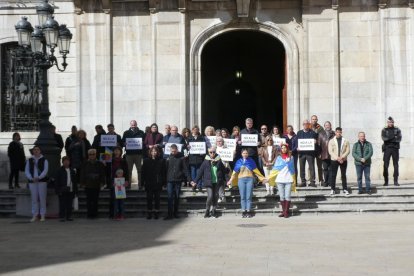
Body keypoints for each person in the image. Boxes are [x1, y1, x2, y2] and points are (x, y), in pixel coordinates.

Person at [227, 148, 266, 218]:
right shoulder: (239, 161)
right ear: (241, 154)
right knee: (243, 197)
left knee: (248, 196)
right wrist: (230, 180)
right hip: (241, 180)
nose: (245, 154)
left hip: (249, 179)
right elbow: (234, 173)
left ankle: (248, 211)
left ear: (248, 154)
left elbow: (256, 171)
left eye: (246, 153)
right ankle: (243, 211)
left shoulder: (251, 161)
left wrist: (262, 179)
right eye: (244, 153)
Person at [192, 146, 227, 218]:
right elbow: (200, 171)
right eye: (211, 152)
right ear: (208, 153)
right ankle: (207, 210)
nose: (212, 153)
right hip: (208, 182)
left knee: (215, 196)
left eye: (214, 152)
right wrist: (195, 181)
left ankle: (214, 210)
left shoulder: (219, 160)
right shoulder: (205, 161)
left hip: (217, 181)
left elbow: (224, 171)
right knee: (210, 196)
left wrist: (228, 178)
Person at [268, 144, 296, 218]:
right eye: (282, 148)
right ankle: (283, 211)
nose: (283, 149)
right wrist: (268, 178)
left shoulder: (291, 157)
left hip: (288, 179)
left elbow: (293, 169)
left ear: (287, 149)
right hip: (280, 180)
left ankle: (286, 212)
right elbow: (275, 169)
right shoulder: (279, 158)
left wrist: (294, 178)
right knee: (282, 196)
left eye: (285, 148)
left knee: (287, 196)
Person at [164, 144, 191, 220]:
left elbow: (185, 169)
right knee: (169, 197)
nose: (173, 152)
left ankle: (175, 213)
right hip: (169, 180)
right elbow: (165, 170)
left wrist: (189, 180)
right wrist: (164, 181)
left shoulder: (181, 158)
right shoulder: (168, 158)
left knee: (176, 197)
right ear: (170, 150)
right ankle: (169, 214)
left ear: (177, 150)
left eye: (174, 151)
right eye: (172, 151)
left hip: (178, 180)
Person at [25, 146, 49, 222]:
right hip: (32, 182)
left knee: (42, 198)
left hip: (42, 181)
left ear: (40, 151)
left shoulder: (44, 160)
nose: (36, 151)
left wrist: (39, 177)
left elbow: (45, 171)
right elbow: (27, 170)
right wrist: (31, 178)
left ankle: (42, 215)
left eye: (37, 149)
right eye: (34, 150)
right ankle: (35, 215)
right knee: (34, 199)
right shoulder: (29, 160)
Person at [80, 149, 106, 219]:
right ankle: (89, 214)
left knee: (95, 200)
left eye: (93, 154)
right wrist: (82, 183)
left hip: (96, 184)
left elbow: (102, 174)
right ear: (88, 155)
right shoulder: (85, 163)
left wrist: (102, 182)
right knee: (89, 200)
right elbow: (82, 173)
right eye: (90, 154)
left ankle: (95, 214)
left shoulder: (100, 163)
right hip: (88, 184)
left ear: (95, 154)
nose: (92, 155)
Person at [142, 147, 166, 220]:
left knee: (157, 199)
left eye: (155, 151)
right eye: (152, 151)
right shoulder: (146, 161)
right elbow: (143, 173)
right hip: (149, 182)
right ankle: (149, 213)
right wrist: (142, 183)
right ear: (150, 152)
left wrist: (163, 183)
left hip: (157, 183)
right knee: (149, 198)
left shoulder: (161, 161)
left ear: (157, 152)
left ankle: (156, 213)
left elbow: (163, 173)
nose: (154, 152)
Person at [122, 120, 145, 189]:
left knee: (140, 170)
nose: (133, 126)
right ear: (130, 125)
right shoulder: (126, 132)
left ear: (136, 124)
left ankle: (140, 185)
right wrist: (124, 144)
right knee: (129, 170)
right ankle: (128, 185)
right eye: (132, 125)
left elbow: (144, 142)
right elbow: (123, 142)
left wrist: (142, 143)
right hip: (129, 154)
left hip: (138, 154)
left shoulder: (141, 132)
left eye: (134, 124)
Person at [328, 127, 350, 195]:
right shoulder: (331, 141)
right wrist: (337, 158)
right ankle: (332, 189)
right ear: (335, 132)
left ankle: (345, 189)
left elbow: (348, 150)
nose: (338, 133)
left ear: (341, 132)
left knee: (343, 175)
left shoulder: (346, 140)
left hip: (343, 160)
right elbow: (330, 151)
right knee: (333, 175)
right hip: (334, 160)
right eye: (337, 132)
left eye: (340, 132)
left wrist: (342, 157)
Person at [54, 156, 77, 222]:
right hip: (62, 189)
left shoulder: (72, 170)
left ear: (69, 162)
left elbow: (74, 181)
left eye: (67, 161)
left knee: (69, 204)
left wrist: (75, 191)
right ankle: (62, 216)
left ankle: (69, 216)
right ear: (62, 162)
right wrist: (58, 190)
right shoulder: (59, 170)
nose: (66, 162)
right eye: (65, 161)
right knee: (62, 204)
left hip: (71, 189)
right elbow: (57, 181)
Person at [381, 116, 402, 186]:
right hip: (387, 149)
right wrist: (393, 137)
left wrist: (390, 138)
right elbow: (384, 138)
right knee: (385, 165)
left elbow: (399, 139)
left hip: (395, 148)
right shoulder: (384, 129)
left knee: (396, 165)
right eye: (389, 122)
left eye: (392, 122)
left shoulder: (397, 129)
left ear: (393, 122)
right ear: (387, 122)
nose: (391, 123)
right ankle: (386, 181)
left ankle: (395, 181)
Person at [109, 147, 129, 219]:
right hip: (113, 182)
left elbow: (126, 172)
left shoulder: (123, 161)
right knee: (114, 199)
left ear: (120, 152)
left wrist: (126, 181)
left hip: (121, 182)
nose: (117, 152)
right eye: (115, 151)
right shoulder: (110, 161)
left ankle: (122, 214)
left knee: (121, 200)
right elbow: (108, 172)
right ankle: (114, 214)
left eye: (118, 151)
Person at [296, 120, 318, 187]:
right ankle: (303, 181)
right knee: (302, 167)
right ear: (303, 125)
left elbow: (317, 140)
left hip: (310, 153)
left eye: (307, 124)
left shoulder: (312, 132)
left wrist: (315, 141)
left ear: (309, 125)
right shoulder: (299, 132)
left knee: (311, 167)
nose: (306, 125)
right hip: (301, 153)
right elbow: (297, 141)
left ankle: (312, 181)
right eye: (304, 124)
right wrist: (297, 147)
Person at [188, 126, 206, 193]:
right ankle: (193, 186)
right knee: (193, 173)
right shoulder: (189, 138)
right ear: (192, 130)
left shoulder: (202, 138)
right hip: (192, 158)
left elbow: (204, 147)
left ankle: (199, 186)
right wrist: (188, 147)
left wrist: (203, 153)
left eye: (197, 130)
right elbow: (185, 148)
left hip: (199, 158)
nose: (195, 131)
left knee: (199, 172)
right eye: (194, 130)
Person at [318, 121, 335, 187]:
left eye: (328, 125)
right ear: (324, 126)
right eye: (326, 125)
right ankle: (325, 182)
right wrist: (319, 153)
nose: (327, 126)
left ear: (330, 126)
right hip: (324, 153)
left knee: (331, 169)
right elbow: (319, 144)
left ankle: (330, 182)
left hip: (332, 154)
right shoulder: (321, 134)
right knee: (325, 169)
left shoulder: (334, 134)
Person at [311, 115, 323, 185]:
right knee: (310, 166)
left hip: (318, 149)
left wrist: (317, 141)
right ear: (311, 120)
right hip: (310, 150)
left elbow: (322, 138)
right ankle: (311, 180)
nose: (314, 120)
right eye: (313, 119)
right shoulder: (308, 127)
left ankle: (321, 179)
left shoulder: (320, 128)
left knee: (319, 165)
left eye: (315, 119)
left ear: (317, 120)